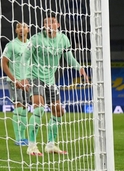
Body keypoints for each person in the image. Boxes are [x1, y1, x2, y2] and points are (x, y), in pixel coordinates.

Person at [26, 15, 90, 156]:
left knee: (58, 111)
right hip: (35, 77)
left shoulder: (63, 39)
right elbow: (24, 57)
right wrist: (23, 77)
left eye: (52, 22)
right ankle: (31, 146)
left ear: (58, 25)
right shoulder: (36, 39)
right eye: (45, 22)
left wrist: (80, 68)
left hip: (50, 79)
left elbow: (69, 57)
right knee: (39, 108)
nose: (49, 24)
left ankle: (50, 145)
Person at [1, 21, 32, 147]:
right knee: (18, 108)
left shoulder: (32, 44)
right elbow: (3, 64)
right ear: (15, 31)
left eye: (23, 26)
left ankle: (23, 137)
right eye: (18, 27)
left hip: (28, 81)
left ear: (28, 30)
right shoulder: (11, 45)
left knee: (25, 109)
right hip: (15, 81)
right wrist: (15, 80)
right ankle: (18, 138)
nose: (21, 29)